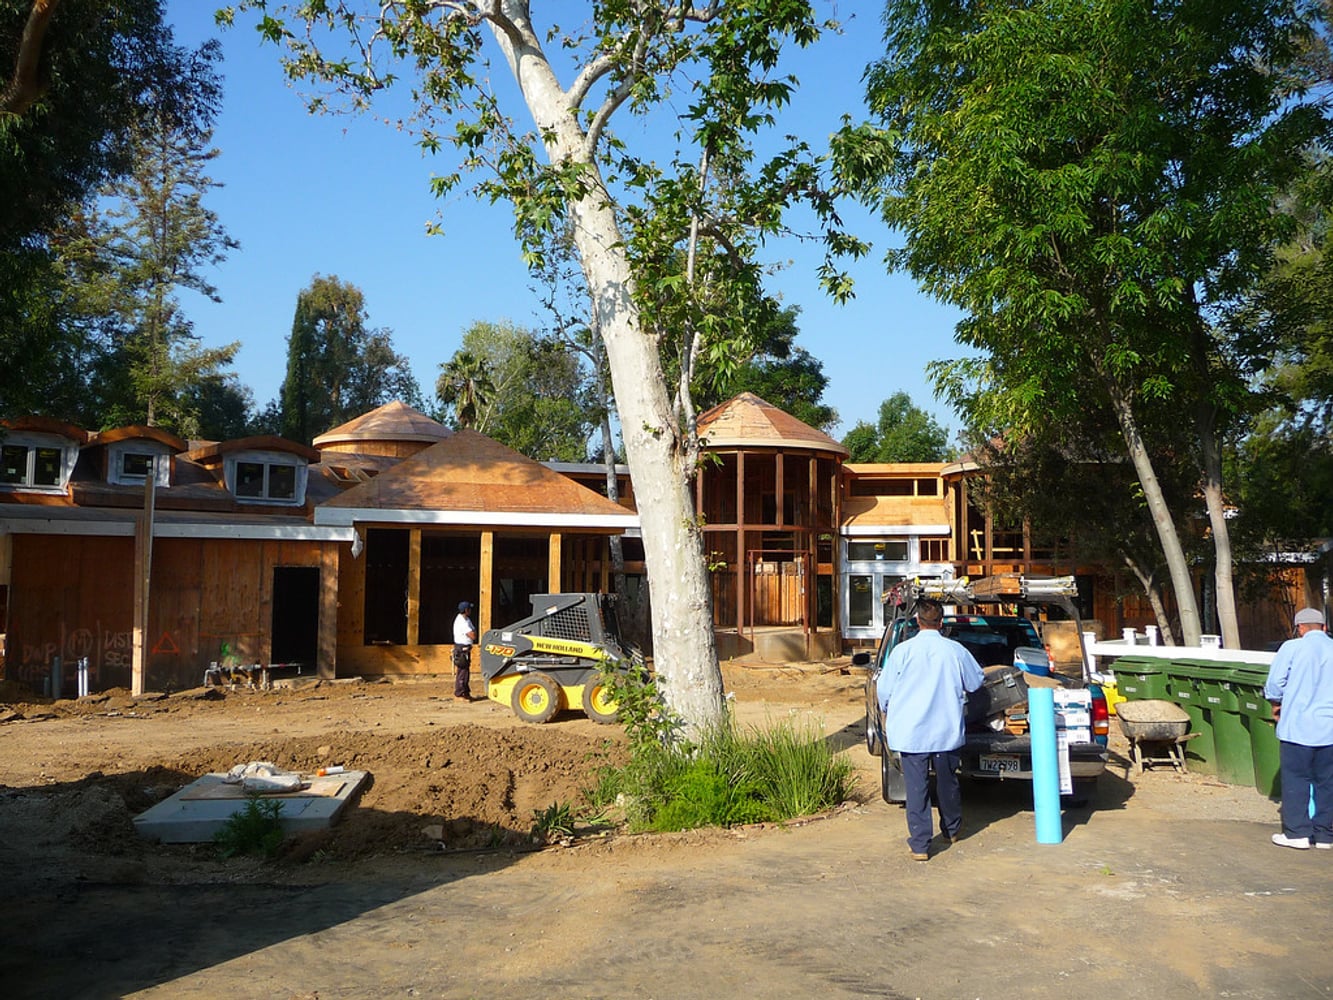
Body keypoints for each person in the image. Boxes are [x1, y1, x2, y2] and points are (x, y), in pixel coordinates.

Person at [878, 598, 986, 861]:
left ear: (917, 621)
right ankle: (951, 830)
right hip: (945, 732)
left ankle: (920, 845)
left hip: (911, 733)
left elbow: (884, 690)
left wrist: (887, 710)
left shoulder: (902, 652)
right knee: (948, 784)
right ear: (942, 622)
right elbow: (976, 683)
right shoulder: (955, 651)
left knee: (917, 789)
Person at [1264, 606, 1333, 850]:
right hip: (1330, 730)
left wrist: (1275, 704)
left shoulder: (1292, 648)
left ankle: (1297, 834)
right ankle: (1326, 835)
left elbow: (1274, 684)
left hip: (1298, 727)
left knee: (1296, 779)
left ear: (1300, 628)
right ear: (1324, 627)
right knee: (1328, 782)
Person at [453, 600, 478, 701]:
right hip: (462, 649)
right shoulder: (461, 621)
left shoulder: (466, 619)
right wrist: (473, 634)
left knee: (465, 671)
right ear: (466, 610)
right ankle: (459, 693)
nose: (470, 610)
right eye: (469, 609)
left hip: (466, 648)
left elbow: (473, 632)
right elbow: (472, 634)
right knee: (462, 671)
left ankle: (465, 692)